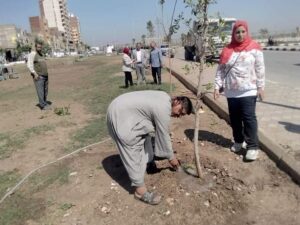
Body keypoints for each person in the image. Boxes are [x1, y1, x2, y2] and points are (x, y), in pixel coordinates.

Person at [106, 90, 193, 205]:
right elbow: (163, 136)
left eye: (182, 115)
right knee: (133, 149)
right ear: (176, 101)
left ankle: (149, 162)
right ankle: (140, 192)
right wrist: (173, 161)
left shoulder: (165, 98)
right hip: (121, 115)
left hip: (122, 107)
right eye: (180, 111)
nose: (178, 116)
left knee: (147, 136)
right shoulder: (163, 110)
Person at [214, 20, 265, 161]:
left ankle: (253, 147)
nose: (240, 34)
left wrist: (261, 87)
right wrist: (217, 87)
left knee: (249, 118)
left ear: (247, 32)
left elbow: (260, 68)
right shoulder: (227, 50)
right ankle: (238, 141)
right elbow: (221, 71)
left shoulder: (255, 48)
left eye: (243, 31)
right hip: (231, 92)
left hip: (248, 90)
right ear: (233, 33)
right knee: (235, 119)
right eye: (237, 32)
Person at [27, 41, 51, 110]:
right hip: (39, 76)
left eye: (40, 47)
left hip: (45, 76)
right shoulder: (32, 54)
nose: (40, 48)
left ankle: (45, 102)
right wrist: (34, 73)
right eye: (38, 47)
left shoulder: (41, 54)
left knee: (45, 91)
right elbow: (29, 65)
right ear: (35, 47)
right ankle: (43, 106)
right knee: (40, 91)